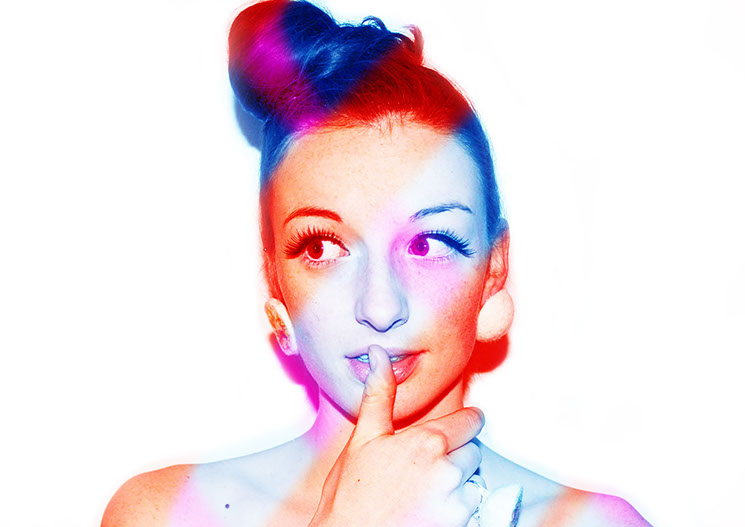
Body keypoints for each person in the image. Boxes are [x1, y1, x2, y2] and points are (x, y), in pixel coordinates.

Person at [102, 1, 651, 525]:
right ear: (275, 280)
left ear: (492, 273)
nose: (380, 307)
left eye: (428, 244)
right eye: (322, 247)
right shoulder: (164, 515)